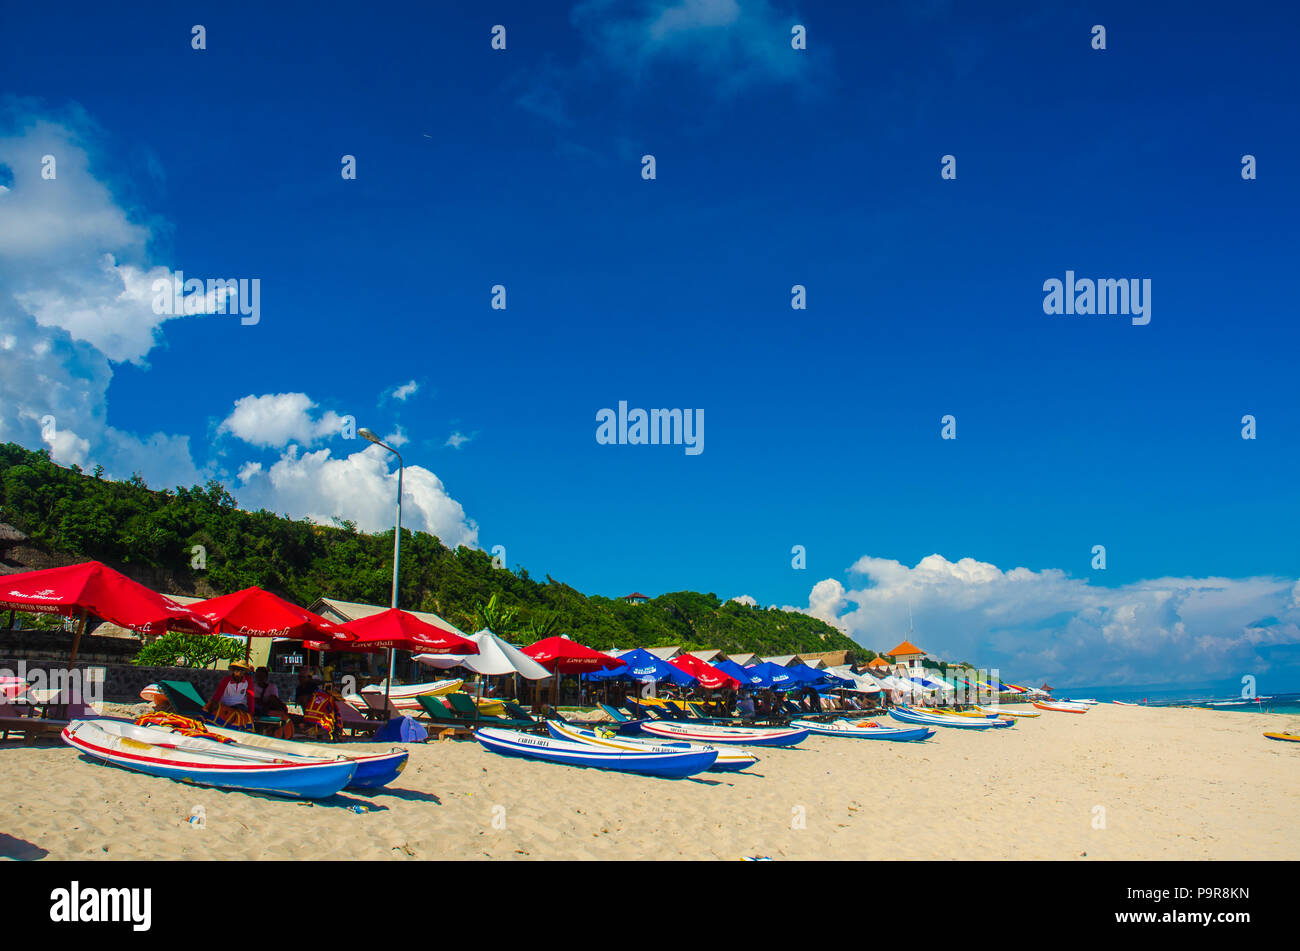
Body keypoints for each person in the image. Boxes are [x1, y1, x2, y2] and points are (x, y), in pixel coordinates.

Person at [206, 659, 255, 730]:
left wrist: (251, 712)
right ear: (234, 670)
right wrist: (213, 704)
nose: (239, 672)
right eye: (237, 670)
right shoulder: (226, 680)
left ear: (244, 672)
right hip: (225, 706)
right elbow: (218, 694)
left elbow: (250, 697)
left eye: (242, 670)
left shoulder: (248, 682)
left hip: (240, 707)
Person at [253, 666, 293, 739]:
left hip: (271, 708)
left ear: (266, 677)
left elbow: (274, 700)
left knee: (274, 702)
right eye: (258, 676)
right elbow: (256, 701)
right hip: (259, 709)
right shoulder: (253, 687)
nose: (260, 678)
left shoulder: (272, 687)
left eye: (262, 676)